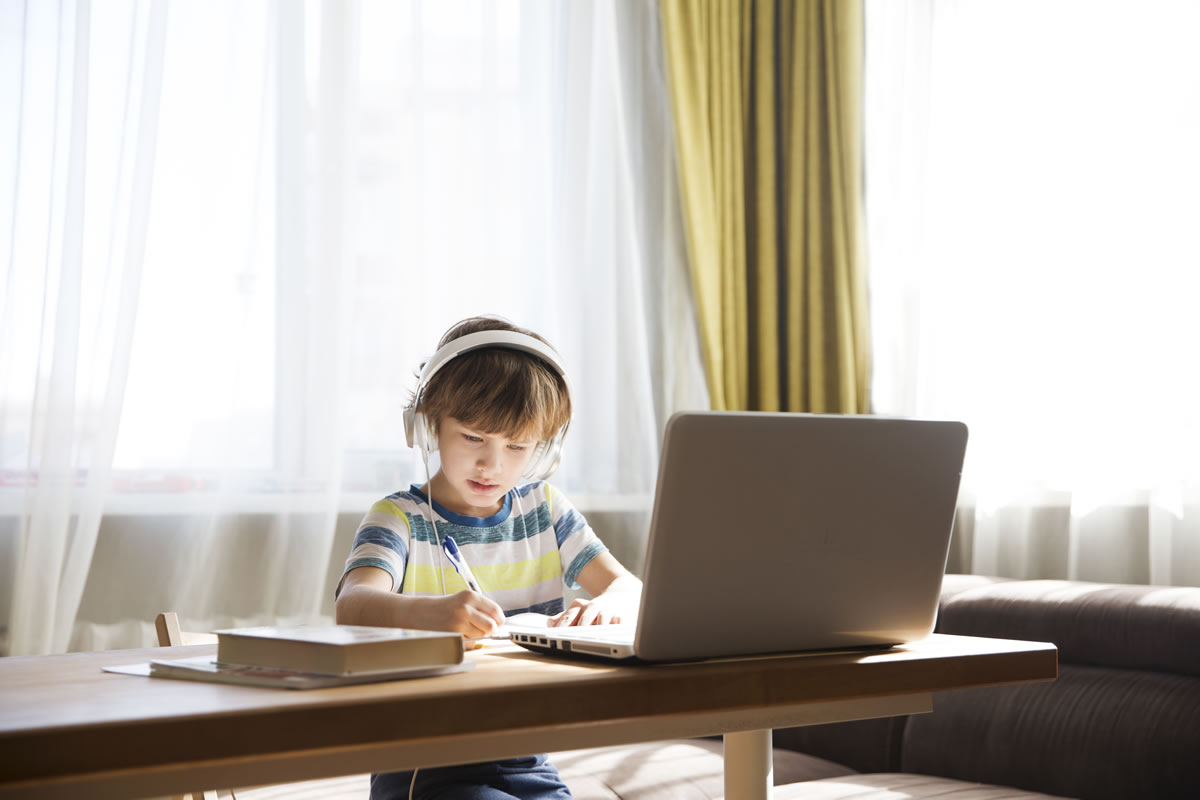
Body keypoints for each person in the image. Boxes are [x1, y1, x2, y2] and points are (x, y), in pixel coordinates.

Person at [335, 315, 642, 800]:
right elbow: (353, 604)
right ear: (427, 425)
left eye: (517, 446)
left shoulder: (544, 510)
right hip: (423, 763)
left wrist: (608, 606)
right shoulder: (399, 517)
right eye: (474, 437)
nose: (492, 464)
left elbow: (631, 589)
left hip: (527, 755)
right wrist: (434, 614)